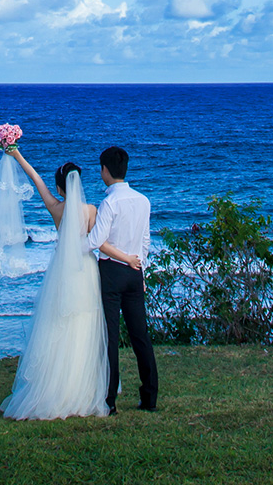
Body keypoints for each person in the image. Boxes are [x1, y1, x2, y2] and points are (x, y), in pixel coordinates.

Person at [0, 145, 111, 419]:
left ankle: (54, 388)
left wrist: (16, 154)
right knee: (85, 326)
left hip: (62, 271)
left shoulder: (55, 208)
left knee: (58, 326)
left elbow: (36, 180)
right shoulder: (92, 210)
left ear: (60, 187)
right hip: (86, 272)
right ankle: (81, 389)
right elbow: (100, 244)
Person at [89, 145, 158, 412]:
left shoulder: (109, 203)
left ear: (105, 170)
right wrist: (141, 271)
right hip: (134, 270)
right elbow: (145, 241)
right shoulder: (143, 200)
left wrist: (75, 243)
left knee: (110, 337)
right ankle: (150, 397)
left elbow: (96, 241)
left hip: (111, 272)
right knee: (140, 334)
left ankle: (110, 401)